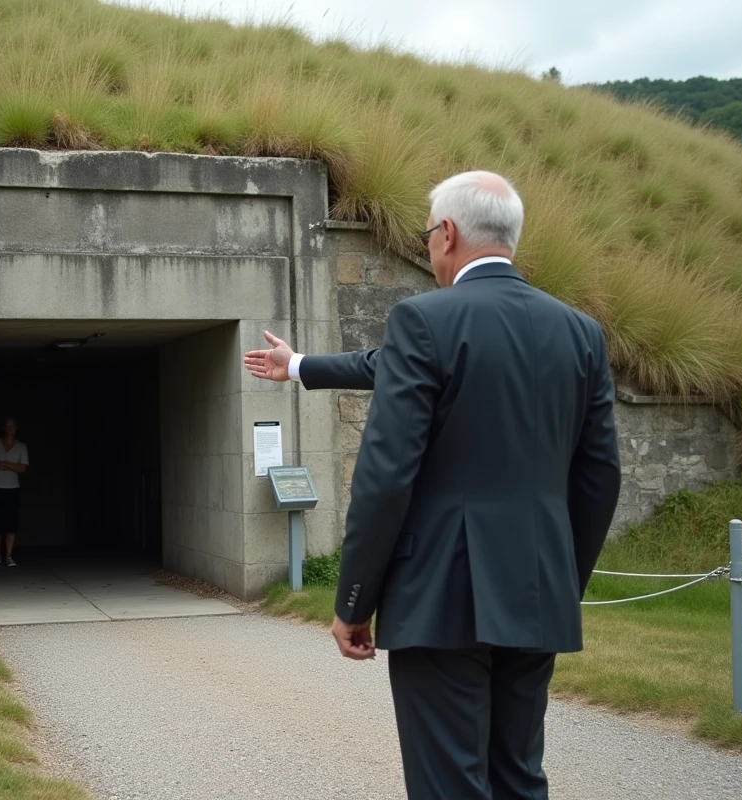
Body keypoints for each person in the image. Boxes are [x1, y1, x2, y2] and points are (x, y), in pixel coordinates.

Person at [247, 171, 622, 799]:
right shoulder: (580, 332)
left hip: (441, 598)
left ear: (446, 233)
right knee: (518, 779)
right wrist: (560, 581)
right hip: (537, 592)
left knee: (449, 785)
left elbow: (385, 475)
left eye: (427, 236)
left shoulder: (424, 319)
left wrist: (355, 600)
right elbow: (599, 475)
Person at [0, 416, 28, 567]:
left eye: (12, 426)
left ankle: (9, 556)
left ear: (16, 428)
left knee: (11, 523)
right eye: (7, 426)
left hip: (12, 489)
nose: (9, 429)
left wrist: (4, 464)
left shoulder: (21, 447)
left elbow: (23, 468)